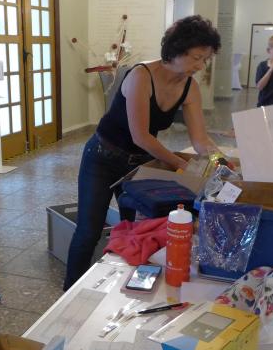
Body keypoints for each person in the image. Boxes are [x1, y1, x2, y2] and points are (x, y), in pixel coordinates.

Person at [64, 15, 223, 290]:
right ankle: (69, 291)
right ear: (176, 49)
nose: (200, 66)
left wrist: (220, 163)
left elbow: (200, 139)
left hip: (139, 164)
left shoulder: (190, 87)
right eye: (197, 57)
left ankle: (127, 290)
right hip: (102, 157)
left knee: (138, 231)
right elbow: (142, 136)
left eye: (205, 59)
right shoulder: (141, 75)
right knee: (89, 230)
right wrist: (181, 166)